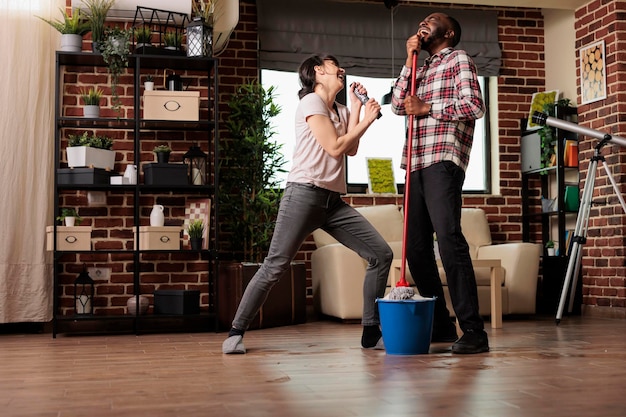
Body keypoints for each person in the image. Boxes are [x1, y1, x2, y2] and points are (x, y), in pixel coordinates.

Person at [222, 54, 393, 354]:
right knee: (275, 266)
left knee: (380, 254)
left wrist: (355, 110)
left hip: (332, 202)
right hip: (303, 194)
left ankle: (370, 331)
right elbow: (333, 146)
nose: (340, 69)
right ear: (317, 71)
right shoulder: (311, 103)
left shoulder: (339, 109)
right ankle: (235, 333)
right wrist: (366, 119)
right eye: (333, 65)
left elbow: (350, 149)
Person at [390, 12, 488, 354]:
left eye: (431, 20)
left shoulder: (459, 59)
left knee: (448, 239)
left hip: (443, 160)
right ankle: (442, 326)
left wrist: (428, 106)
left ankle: (474, 331)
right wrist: (409, 60)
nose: (423, 22)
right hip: (415, 163)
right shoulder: (421, 64)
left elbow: (474, 106)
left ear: (447, 32)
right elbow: (397, 105)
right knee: (416, 248)